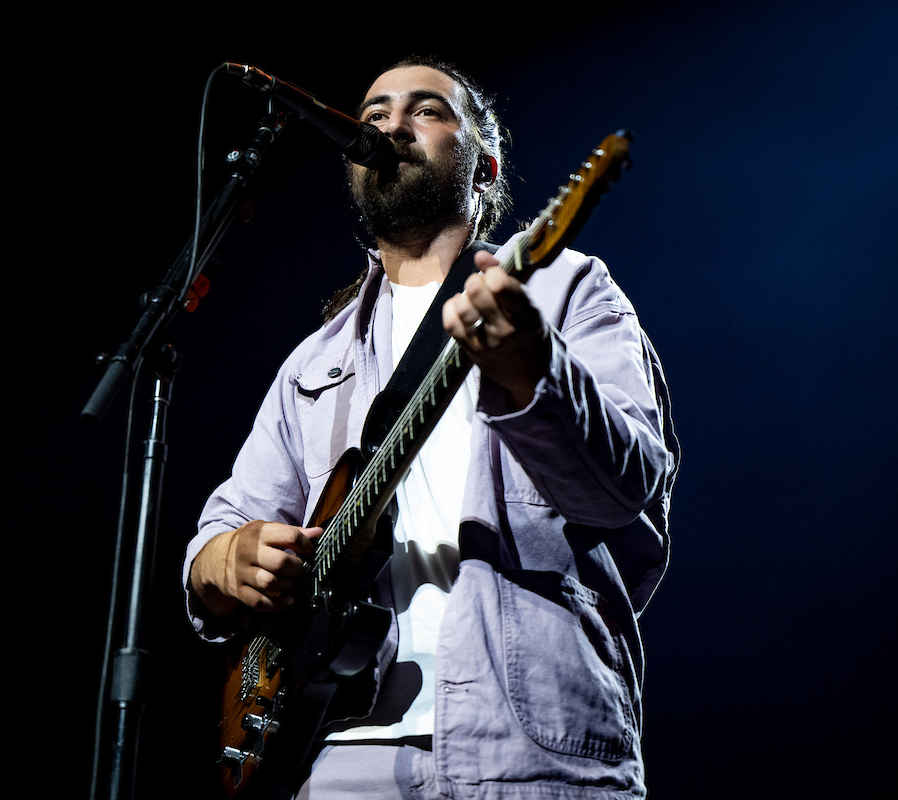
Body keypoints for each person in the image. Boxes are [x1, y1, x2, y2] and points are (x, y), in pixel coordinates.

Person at [184, 56, 679, 799]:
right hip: (337, 758)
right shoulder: (314, 362)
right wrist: (223, 560)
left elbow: (629, 494)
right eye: (376, 113)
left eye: (426, 110)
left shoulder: (566, 289)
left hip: (531, 748)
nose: (391, 125)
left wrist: (533, 374)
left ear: (485, 163)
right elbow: (224, 528)